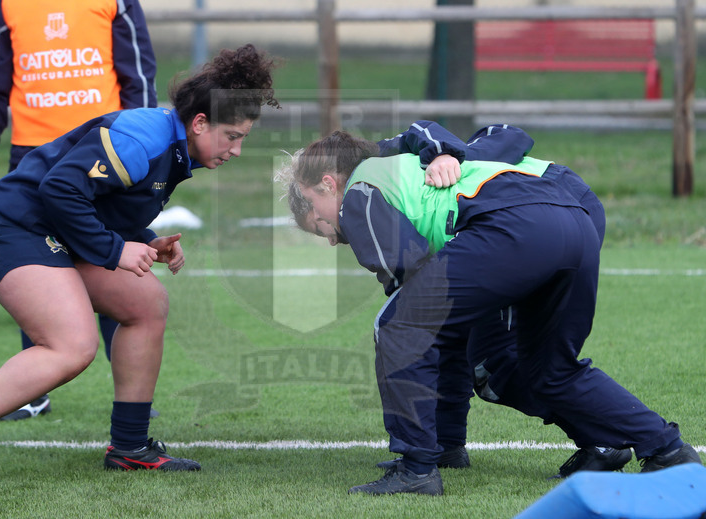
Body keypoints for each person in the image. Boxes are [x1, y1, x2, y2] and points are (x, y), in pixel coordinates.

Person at [0, 43, 280, 485]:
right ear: (200, 123)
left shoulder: (175, 146)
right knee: (72, 346)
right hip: (10, 226)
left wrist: (146, 241)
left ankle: (129, 445)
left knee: (146, 303)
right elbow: (59, 191)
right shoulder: (144, 137)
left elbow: (102, 205)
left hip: (49, 228)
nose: (236, 150)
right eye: (233, 137)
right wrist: (116, 251)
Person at [279, 130, 701, 496]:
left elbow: (416, 285)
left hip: (513, 228)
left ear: (328, 184)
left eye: (318, 222)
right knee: (551, 371)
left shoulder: (360, 190)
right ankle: (667, 449)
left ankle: (416, 470)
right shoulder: (402, 163)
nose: (331, 238)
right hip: (575, 223)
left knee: (398, 326)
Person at [0, 0, 158, 421]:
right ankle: (32, 393)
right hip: (33, 158)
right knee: (33, 266)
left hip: (104, 155)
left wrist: (142, 143)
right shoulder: (6, 4)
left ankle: (131, 390)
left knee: (111, 262)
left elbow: (138, 76)